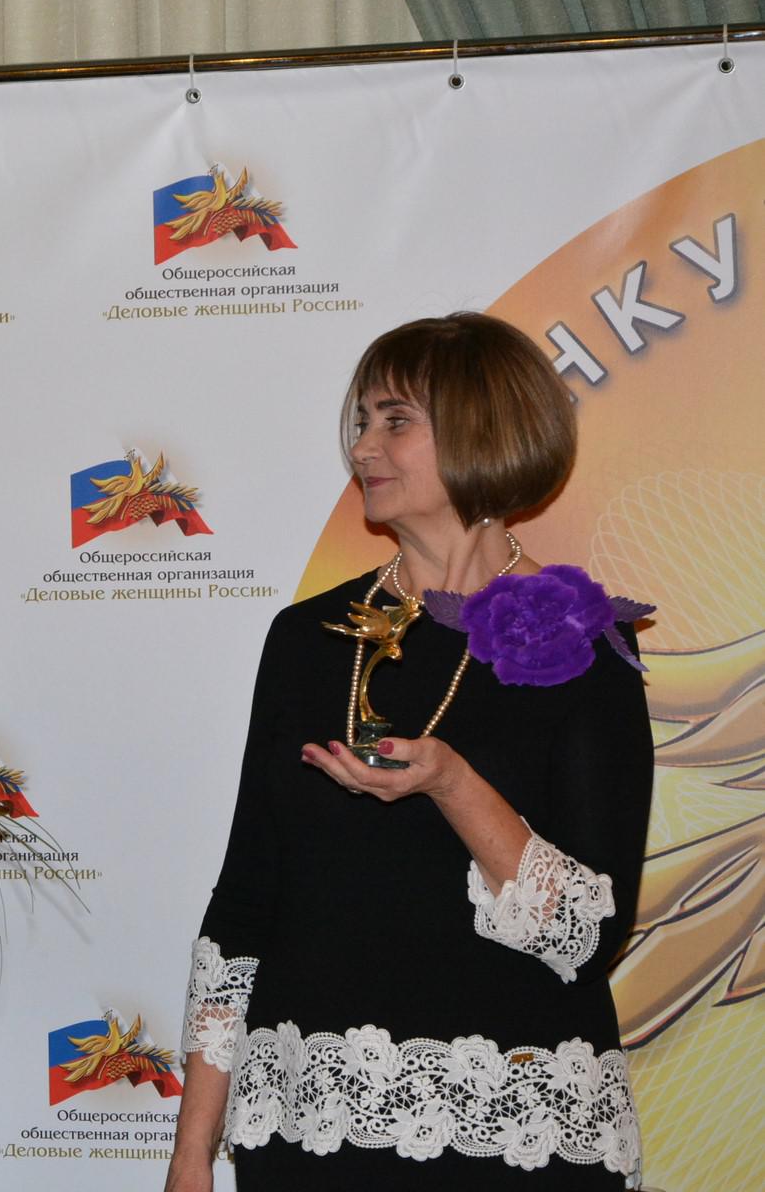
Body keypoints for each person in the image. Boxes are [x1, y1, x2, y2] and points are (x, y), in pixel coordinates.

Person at [164, 313, 653, 1191]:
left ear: (485, 432)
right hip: (309, 1128)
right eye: (361, 421)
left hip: (514, 1131)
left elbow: (587, 936)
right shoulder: (306, 638)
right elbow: (243, 905)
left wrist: (453, 784)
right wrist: (191, 1153)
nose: (362, 447)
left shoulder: (583, 643)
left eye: (395, 421)